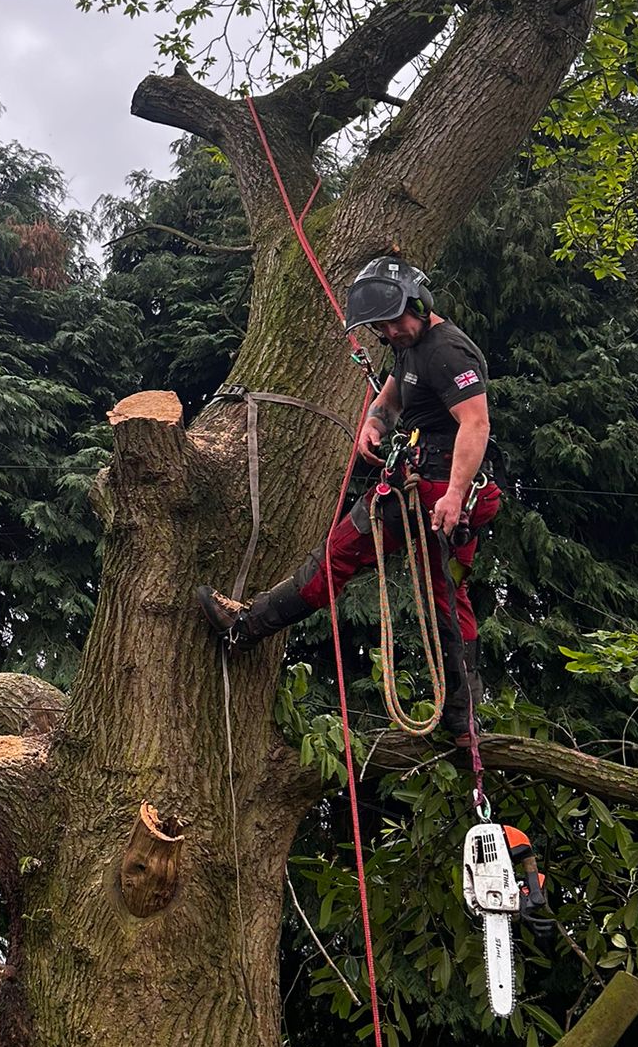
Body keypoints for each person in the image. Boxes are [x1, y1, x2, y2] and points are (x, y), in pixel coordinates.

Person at [197, 257, 501, 742]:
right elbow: (391, 397)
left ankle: (464, 723)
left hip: (441, 494)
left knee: (421, 587)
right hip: (418, 486)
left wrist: (455, 494)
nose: (390, 331)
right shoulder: (409, 347)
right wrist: (375, 423)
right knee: (411, 582)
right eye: (381, 326)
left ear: (420, 304)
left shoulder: (448, 350)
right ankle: (461, 721)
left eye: (395, 319)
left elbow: (476, 424)